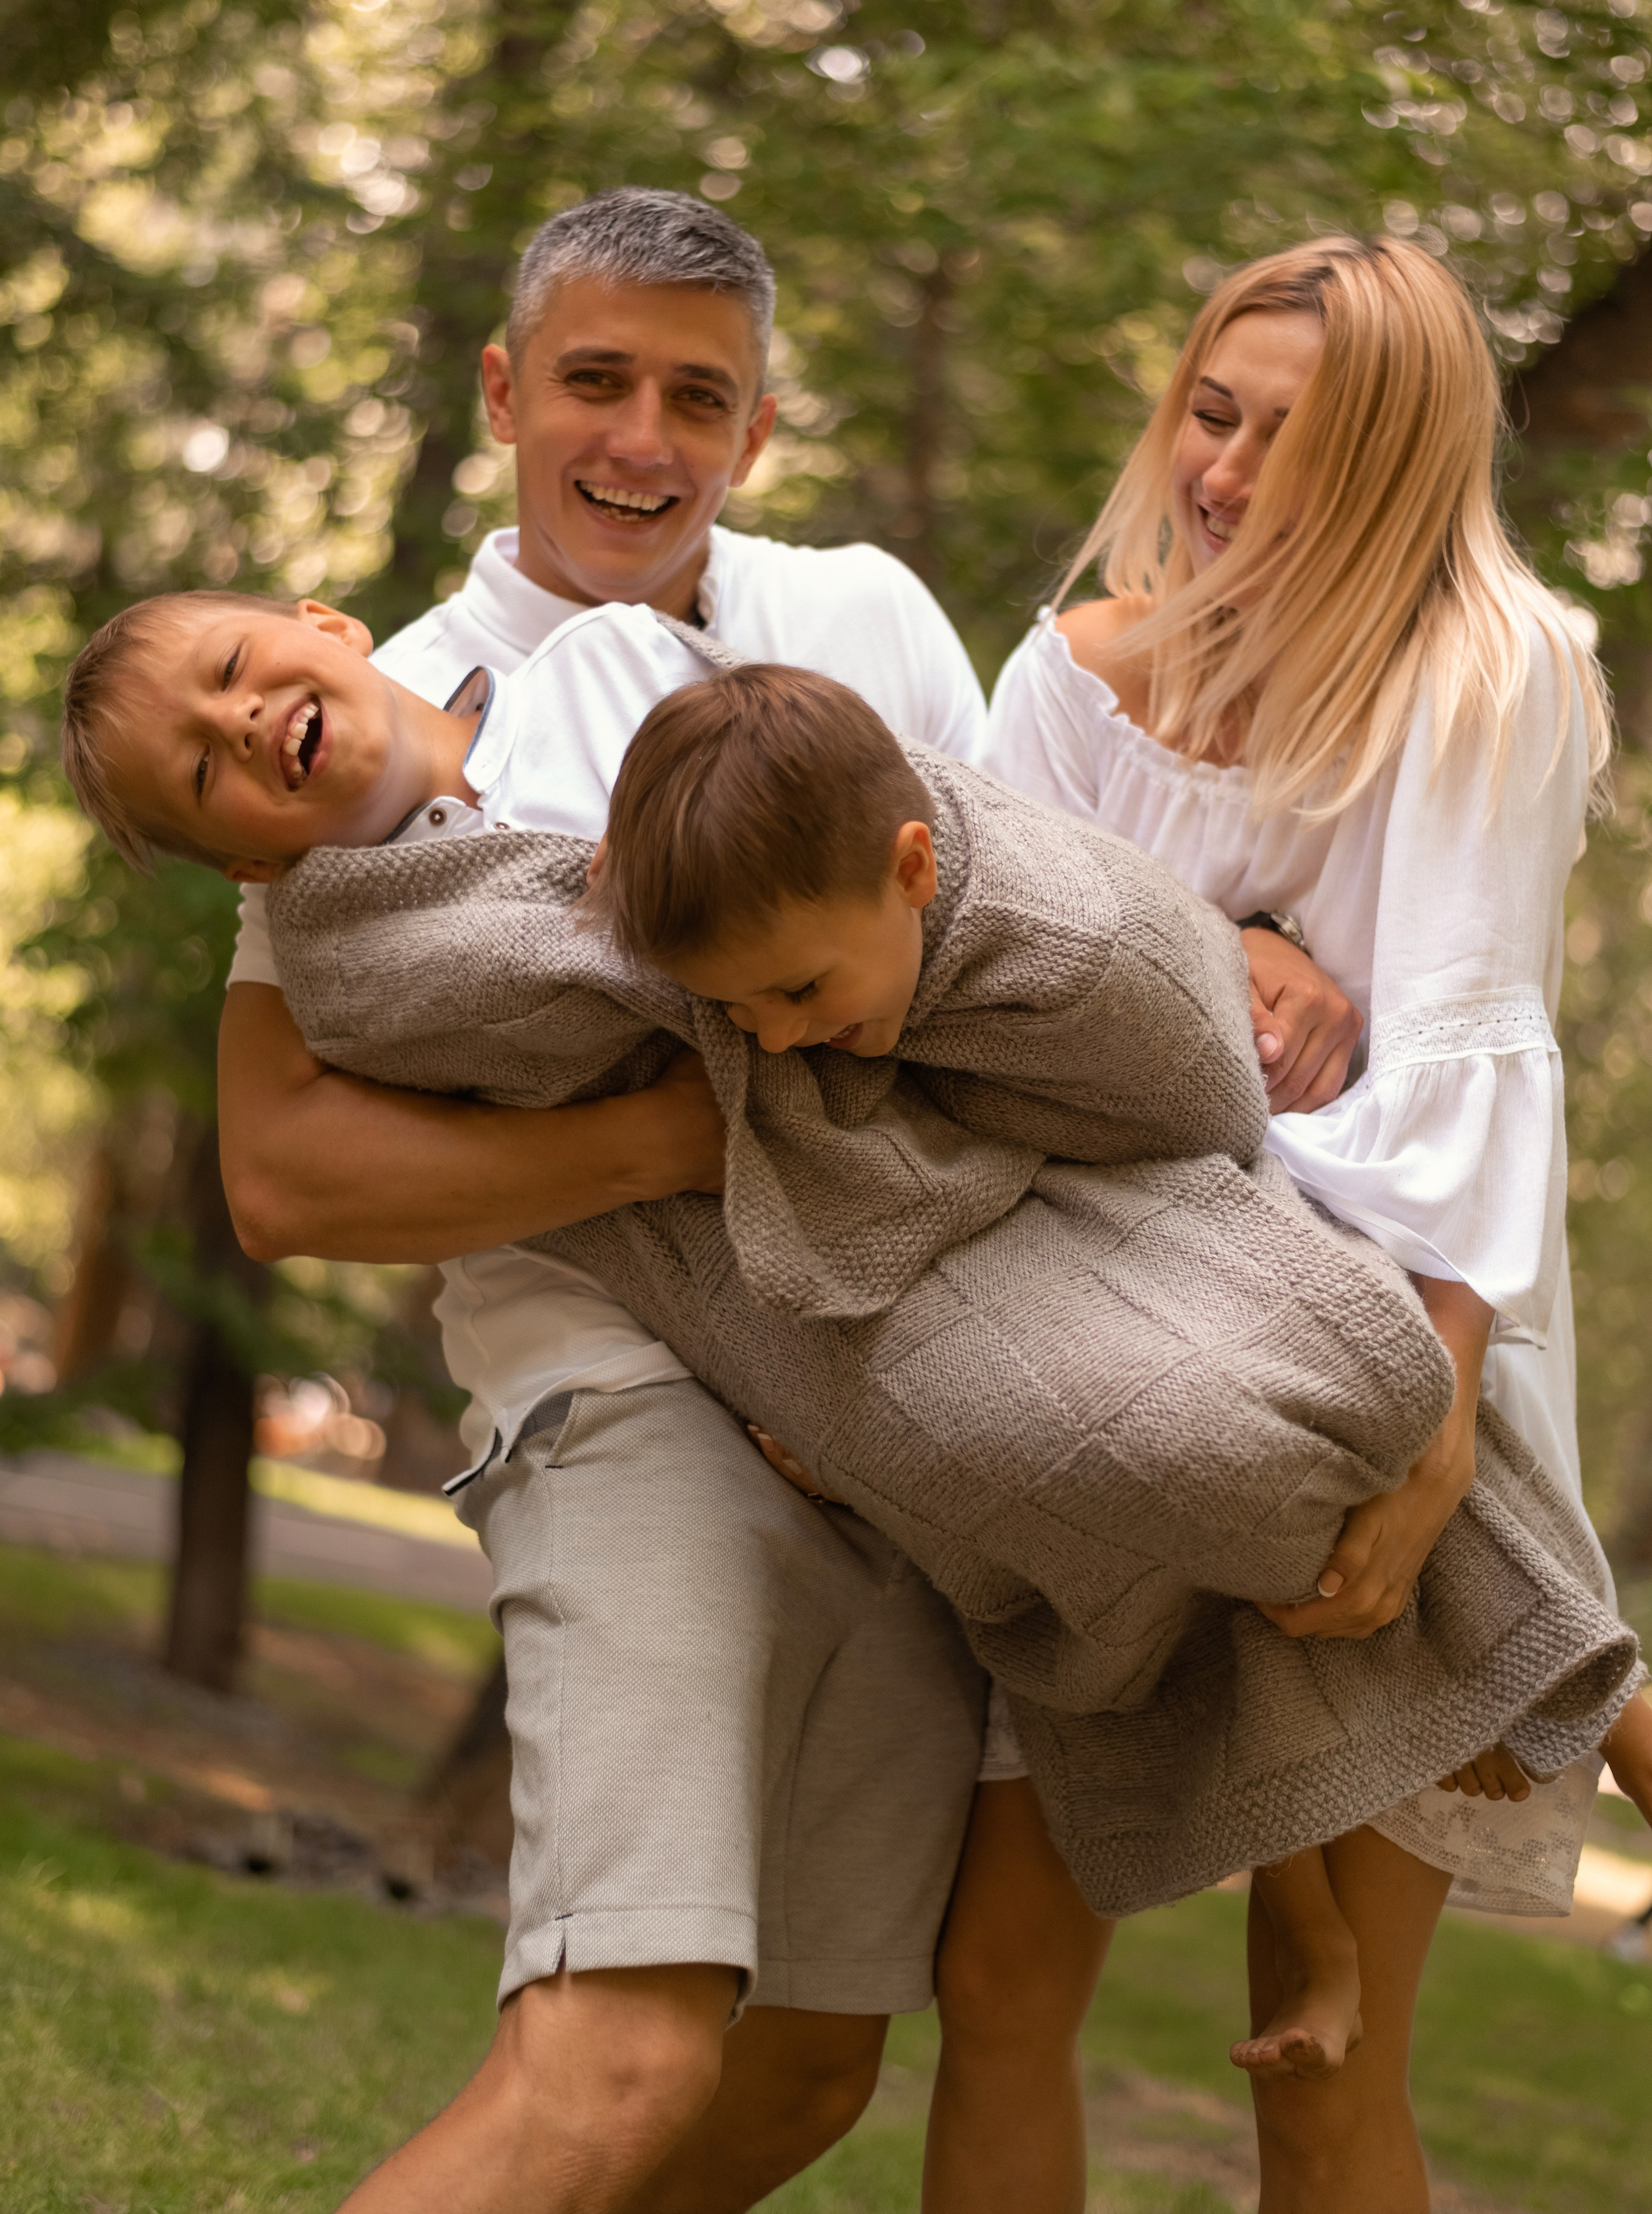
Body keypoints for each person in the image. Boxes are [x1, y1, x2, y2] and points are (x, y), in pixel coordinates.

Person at [63, 589, 1637, 2186]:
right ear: (251, 865)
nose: (242, 722)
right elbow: (648, 980)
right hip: (789, 1292)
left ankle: (1543, 1690)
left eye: (236, 670)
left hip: (972, 1184)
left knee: (1276, 1375)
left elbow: (870, 852)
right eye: (200, 771)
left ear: (314, 623)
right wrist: (750, 989)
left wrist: (1216, 957)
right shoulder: (365, 947)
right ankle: (1547, 1686)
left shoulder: (615, 665)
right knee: (1181, 1450)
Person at [193, 185, 999, 2214]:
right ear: (502, 388)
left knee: (807, 2069)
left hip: (905, 1422)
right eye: (596, 382)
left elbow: (1007, 949)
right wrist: (673, 1142)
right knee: (616, 2062)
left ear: (761, 426)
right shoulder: (360, 718)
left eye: (697, 397)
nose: (642, 439)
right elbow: (282, 1166)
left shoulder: (866, 620)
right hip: (627, 1406)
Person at [981, 231, 1652, 2214]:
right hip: (1097, 1331)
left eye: (1300, 439)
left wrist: (1438, 1430)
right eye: (1214, 413)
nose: (1229, 474)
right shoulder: (1073, 680)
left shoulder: (1486, 669)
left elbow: (1463, 1043)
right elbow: (973, 993)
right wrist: (1226, 946)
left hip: (1400, 1339)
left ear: (1397, 464)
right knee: (999, 1973)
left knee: (1318, 2038)